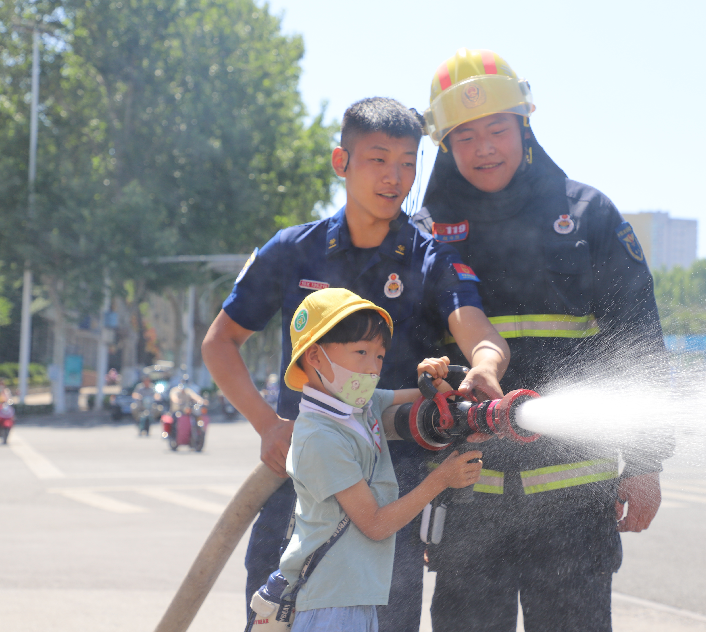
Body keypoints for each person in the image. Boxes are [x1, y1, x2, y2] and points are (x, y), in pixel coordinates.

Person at [202, 97, 509, 631]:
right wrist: (269, 426)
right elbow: (219, 342)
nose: (396, 177)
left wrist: (486, 364)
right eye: (378, 159)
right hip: (298, 484)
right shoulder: (290, 250)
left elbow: (475, 328)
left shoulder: (429, 256)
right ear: (341, 163)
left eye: (408, 162)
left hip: (391, 491)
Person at [414, 49, 675, 632]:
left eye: (497, 129)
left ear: (524, 125)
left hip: (575, 499)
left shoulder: (588, 215)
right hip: (466, 497)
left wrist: (646, 461)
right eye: (464, 136)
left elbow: (638, 340)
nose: (484, 148)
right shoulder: (427, 232)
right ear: (445, 145)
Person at [249, 288, 482, 632]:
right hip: (330, 606)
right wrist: (440, 480)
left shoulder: (359, 406)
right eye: (361, 352)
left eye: (379, 356)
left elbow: (429, 399)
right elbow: (374, 524)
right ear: (314, 356)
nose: (372, 368)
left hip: (353, 598)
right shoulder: (320, 437)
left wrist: (435, 379)